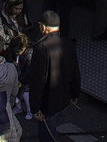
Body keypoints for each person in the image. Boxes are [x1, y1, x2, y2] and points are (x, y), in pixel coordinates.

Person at [27, 10, 81, 142]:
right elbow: (75, 72)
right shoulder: (68, 43)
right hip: (64, 98)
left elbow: (37, 81)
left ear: (44, 27)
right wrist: (75, 94)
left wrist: (34, 108)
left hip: (48, 102)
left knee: (47, 134)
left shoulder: (41, 48)